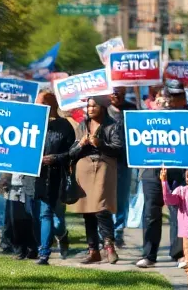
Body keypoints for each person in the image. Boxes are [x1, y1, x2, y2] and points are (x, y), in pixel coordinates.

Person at [137, 78, 188, 268]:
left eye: (178, 95)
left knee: (180, 212)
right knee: (151, 211)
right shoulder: (155, 115)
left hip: (183, 171)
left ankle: (180, 254)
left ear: (184, 96)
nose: (174, 99)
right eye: (171, 95)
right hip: (155, 170)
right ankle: (149, 255)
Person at [68, 95, 124, 264]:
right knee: (88, 210)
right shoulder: (82, 125)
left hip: (103, 167)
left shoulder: (113, 125)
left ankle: (109, 246)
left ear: (102, 107)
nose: (90, 109)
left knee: (101, 207)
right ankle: (93, 250)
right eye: (89, 106)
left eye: (94, 106)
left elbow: (118, 150)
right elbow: (71, 152)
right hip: (84, 169)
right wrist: (80, 145)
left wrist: (101, 144)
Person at [33, 89, 75, 264]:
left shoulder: (64, 125)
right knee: (38, 214)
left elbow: (71, 153)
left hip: (55, 177)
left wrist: (56, 159)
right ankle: (61, 234)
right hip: (34, 176)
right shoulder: (32, 122)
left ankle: (44, 253)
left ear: (52, 104)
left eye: (41, 102)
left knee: (47, 214)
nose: (38, 106)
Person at [108, 86, 137, 244]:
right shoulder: (103, 108)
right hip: (106, 159)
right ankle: (105, 233)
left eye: (120, 93)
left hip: (125, 160)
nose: (117, 96)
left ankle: (118, 231)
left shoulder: (131, 108)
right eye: (114, 93)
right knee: (105, 197)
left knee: (121, 197)